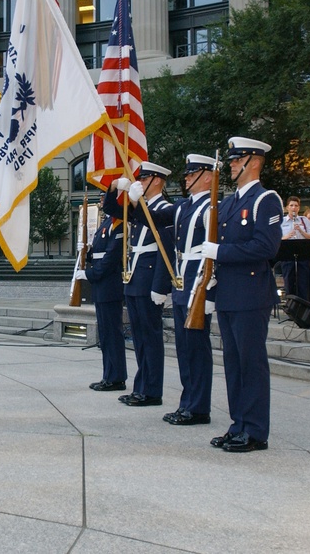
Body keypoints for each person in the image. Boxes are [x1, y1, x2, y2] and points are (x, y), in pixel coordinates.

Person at [202, 137, 283, 453]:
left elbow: (266, 247)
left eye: (237, 160)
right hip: (229, 294)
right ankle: (238, 425)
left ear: (254, 162)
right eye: (232, 160)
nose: (232, 165)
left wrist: (221, 251)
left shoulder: (266, 200)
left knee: (251, 364)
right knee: (234, 365)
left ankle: (255, 431)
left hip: (251, 295)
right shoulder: (230, 202)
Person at [146, 154, 217, 426]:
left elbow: (213, 254)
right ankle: (188, 403)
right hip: (181, 283)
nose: (186, 178)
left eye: (192, 174)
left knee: (197, 348)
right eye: (187, 174)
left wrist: (210, 294)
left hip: (199, 283)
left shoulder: (212, 208)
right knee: (185, 349)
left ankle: (199, 408)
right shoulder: (183, 207)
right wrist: (132, 198)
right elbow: (149, 217)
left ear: (208, 177)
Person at [103, 161, 173, 407]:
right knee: (140, 338)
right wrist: (114, 187)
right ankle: (141, 387)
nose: (139, 182)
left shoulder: (164, 208)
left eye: (144, 179)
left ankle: (152, 391)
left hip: (149, 275)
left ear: (157, 181)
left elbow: (166, 250)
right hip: (134, 275)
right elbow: (112, 208)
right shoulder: (139, 207)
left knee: (150, 337)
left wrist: (160, 286)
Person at [75, 213, 126, 391]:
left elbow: (111, 258)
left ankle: (116, 377)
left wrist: (89, 275)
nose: (104, 199)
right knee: (105, 334)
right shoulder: (106, 222)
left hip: (109, 285)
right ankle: (109, 375)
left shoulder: (119, 223)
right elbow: (97, 254)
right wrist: (85, 252)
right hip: (102, 287)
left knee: (112, 334)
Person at [279, 196, 310, 301]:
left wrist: (301, 231)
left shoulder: (304, 220)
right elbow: (275, 239)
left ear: (299, 208)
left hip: (302, 255)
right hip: (287, 255)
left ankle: (303, 308)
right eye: (291, 205)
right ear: (287, 208)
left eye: (296, 206)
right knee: (289, 282)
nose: (293, 208)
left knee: (303, 283)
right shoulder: (281, 221)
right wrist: (286, 237)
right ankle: (291, 307)